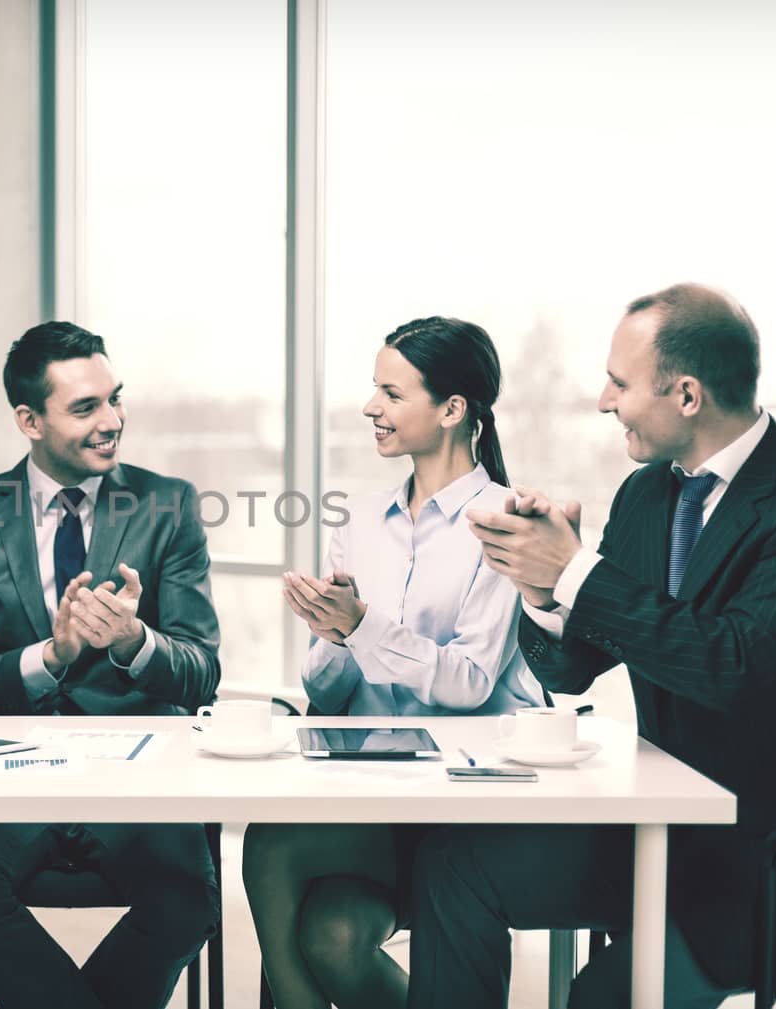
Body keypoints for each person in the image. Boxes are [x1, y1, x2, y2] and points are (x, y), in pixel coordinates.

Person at [409, 283, 776, 1008]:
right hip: (663, 836)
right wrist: (543, 590)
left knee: (604, 997)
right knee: (454, 866)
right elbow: (576, 666)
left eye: (619, 382)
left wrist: (579, 570)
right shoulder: (649, 493)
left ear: (685, 394)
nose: (603, 400)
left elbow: (734, 666)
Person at [0, 321, 222, 1009]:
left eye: (115, 399)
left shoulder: (167, 505)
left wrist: (132, 642)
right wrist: (48, 657)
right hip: (8, 773)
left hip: (139, 777)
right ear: (29, 420)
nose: (112, 421)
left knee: (187, 896)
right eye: (86, 408)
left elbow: (201, 670)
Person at [244, 317, 545, 1009]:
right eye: (372, 389)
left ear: (451, 409)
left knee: (273, 850)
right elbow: (325, 688)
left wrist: (364, 626)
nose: (369, 406)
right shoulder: (361, 519)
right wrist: (335, 636)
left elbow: (470, 683)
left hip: (459, 808)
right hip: (370, 788)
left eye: (390, 391)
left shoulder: (505, 522)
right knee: (333, 934)